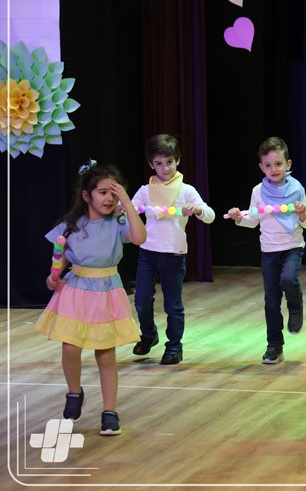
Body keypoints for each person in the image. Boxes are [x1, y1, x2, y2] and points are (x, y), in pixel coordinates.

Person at [37, 160, 146, 435]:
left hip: (107, 291)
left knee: (106, 355)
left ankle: (109, 412)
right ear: (87, 196)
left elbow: (139, 238)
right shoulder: (70, 225)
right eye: (102, 192)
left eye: (114, 192)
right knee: (70, 348)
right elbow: (60, 259)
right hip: (75, 290)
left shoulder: (118, 222)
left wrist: (127, 203)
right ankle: (74, 393)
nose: (109, 198)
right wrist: (52, 278)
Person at [130, 134, 215, 365]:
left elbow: (210, 215)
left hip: (174, 255)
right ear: (151, 164)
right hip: (148, 254)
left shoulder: (186, 190)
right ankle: (148, 335)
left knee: (173, 305)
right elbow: (130, 211)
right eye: (159, 163)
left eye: (169, 162)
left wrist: (196, 209)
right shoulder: (145, 191)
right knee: (141, 299)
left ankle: (174, 347)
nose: (165, 168)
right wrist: (122, 208)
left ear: (178, 160)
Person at [227, 137, 306, 364]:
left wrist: (302, 214)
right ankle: (274, 345)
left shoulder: (297, 188)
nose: (274, 169)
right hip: (269, 251)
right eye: (268, 165)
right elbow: (253, 220)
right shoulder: (258, 191)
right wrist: (238, 217)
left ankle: (296, 306)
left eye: (278, 164)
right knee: (271, 300)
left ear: (288, 164)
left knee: (288, 280)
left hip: (292, 246)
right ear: (261, 167)